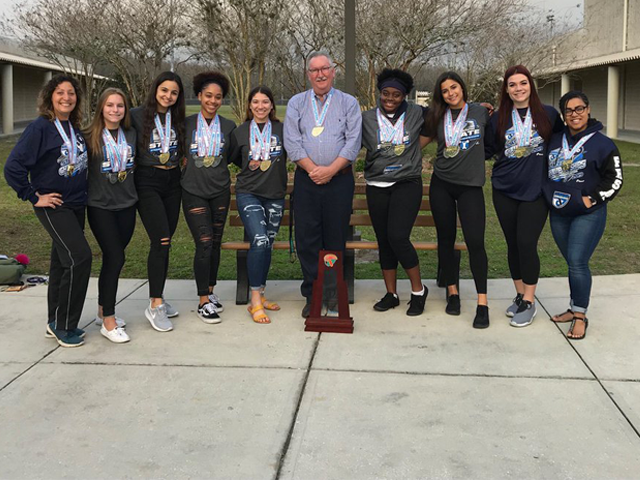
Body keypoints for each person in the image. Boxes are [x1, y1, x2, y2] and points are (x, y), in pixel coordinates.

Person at [4, 75, 91, 347]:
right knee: (80, 258)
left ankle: (54, 321)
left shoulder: (74, 127)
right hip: (54, 206)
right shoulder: (40, 128)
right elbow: (13, 167)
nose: (66, 97)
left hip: (77, 205)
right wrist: (33, 196)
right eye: (60, 92)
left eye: (71, 93)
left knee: (61, 263)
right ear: (50, 97)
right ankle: (65, 324)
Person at [284, 51, 362, 317]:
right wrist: (314, 170)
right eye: (314, 70)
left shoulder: (348, 103)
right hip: (307, 181)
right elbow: (292, 142)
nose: (320, 74)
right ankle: (312, 294)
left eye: (324, 69)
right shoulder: (296, 103)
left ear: (333, 71)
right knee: (308, 239)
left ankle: (332, 293)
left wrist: (330, 170)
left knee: (334, 238)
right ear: (308, 75)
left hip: (339, 181)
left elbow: (353, 142)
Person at [485, 65, 564, 328]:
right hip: (504, 189)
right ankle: (519, 294)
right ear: (506, 89)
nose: (518, 88)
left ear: (531, 85)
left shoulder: (549, 115)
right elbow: (486, 149)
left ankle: (529, 301)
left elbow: (565, 146)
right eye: (512, 85)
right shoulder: (498, 118)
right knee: (512, 244)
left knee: (526, 242)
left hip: (536, 190)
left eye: (523, 83)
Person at [544, 91, 623, 339]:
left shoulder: (603, 144)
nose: (575, 114)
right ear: (564, 115)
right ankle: (574, 306)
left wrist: (592, 198)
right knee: (572, 262)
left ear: (588, 110)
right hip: (559, 212)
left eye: (579, 109)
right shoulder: (555, 139)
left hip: (588, 213)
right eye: (569, 111)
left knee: (578, 261)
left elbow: (616, 179)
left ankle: (580, 315)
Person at [423, 72, 491, 328]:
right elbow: (419, 142)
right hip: (442, 184)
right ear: (440, 95)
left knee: (475, 242)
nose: (451, 93)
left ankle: (482, 303)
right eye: (445, 90)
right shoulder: (436, 116)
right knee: (446, 239)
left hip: (471, 187)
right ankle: (452, 292)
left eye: (454, 87)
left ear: (462, 88)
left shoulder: (480, 112)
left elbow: (493, 140)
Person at [361, 68, 429, 316]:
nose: (390, 99)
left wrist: (413, 149)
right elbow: (348, 143)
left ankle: (418, 291)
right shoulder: (367, 118)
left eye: (396, 95)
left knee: (398, 236)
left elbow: (442, 118)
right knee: (384, 241)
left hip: (406, 182)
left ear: (405, 96)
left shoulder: (417, 112)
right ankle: (391, 294)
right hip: (376, 184)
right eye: (385, 93)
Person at [131, 71, 185, 332]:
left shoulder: (177, 118)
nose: (168, 96)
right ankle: (154, 305)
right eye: (164, 90)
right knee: (160, 239)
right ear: (155, 90)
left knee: (166, 241)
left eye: (174, 92)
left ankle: (159, 294)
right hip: (147, 181)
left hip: (173, 182)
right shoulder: (136, 115)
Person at [229, 86, 287, 324]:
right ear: (249, 105)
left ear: (272, 105)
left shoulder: (283, 130)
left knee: (267, 244)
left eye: (265, 102)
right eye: (255, 102)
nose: (260, 106)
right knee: (260, 240)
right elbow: (234, 158)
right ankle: (254, 300)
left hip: (275, 195)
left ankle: (261, 295)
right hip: (248, 193)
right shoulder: (240, 132)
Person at [182, 71, 236, 324]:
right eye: (208, 96)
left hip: (220, 191)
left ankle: (211, 291)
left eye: (218, 97)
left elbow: (235, 155)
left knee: (215, 242)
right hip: (193, 191)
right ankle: (203, 300)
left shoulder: (228, 127)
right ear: (199, 96)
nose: (213, 101)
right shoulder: (186, 124)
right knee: (203, 242)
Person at [84, 88, 137, 343]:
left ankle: (102, 308)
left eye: (120, 106)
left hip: (127, 205)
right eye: (110, 105)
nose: (115, 110)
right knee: (116, 256)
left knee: (111, 259)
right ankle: (109, 321)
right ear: (101, 108)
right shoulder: (88, 136)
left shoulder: (131, 134)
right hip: (100, 206)